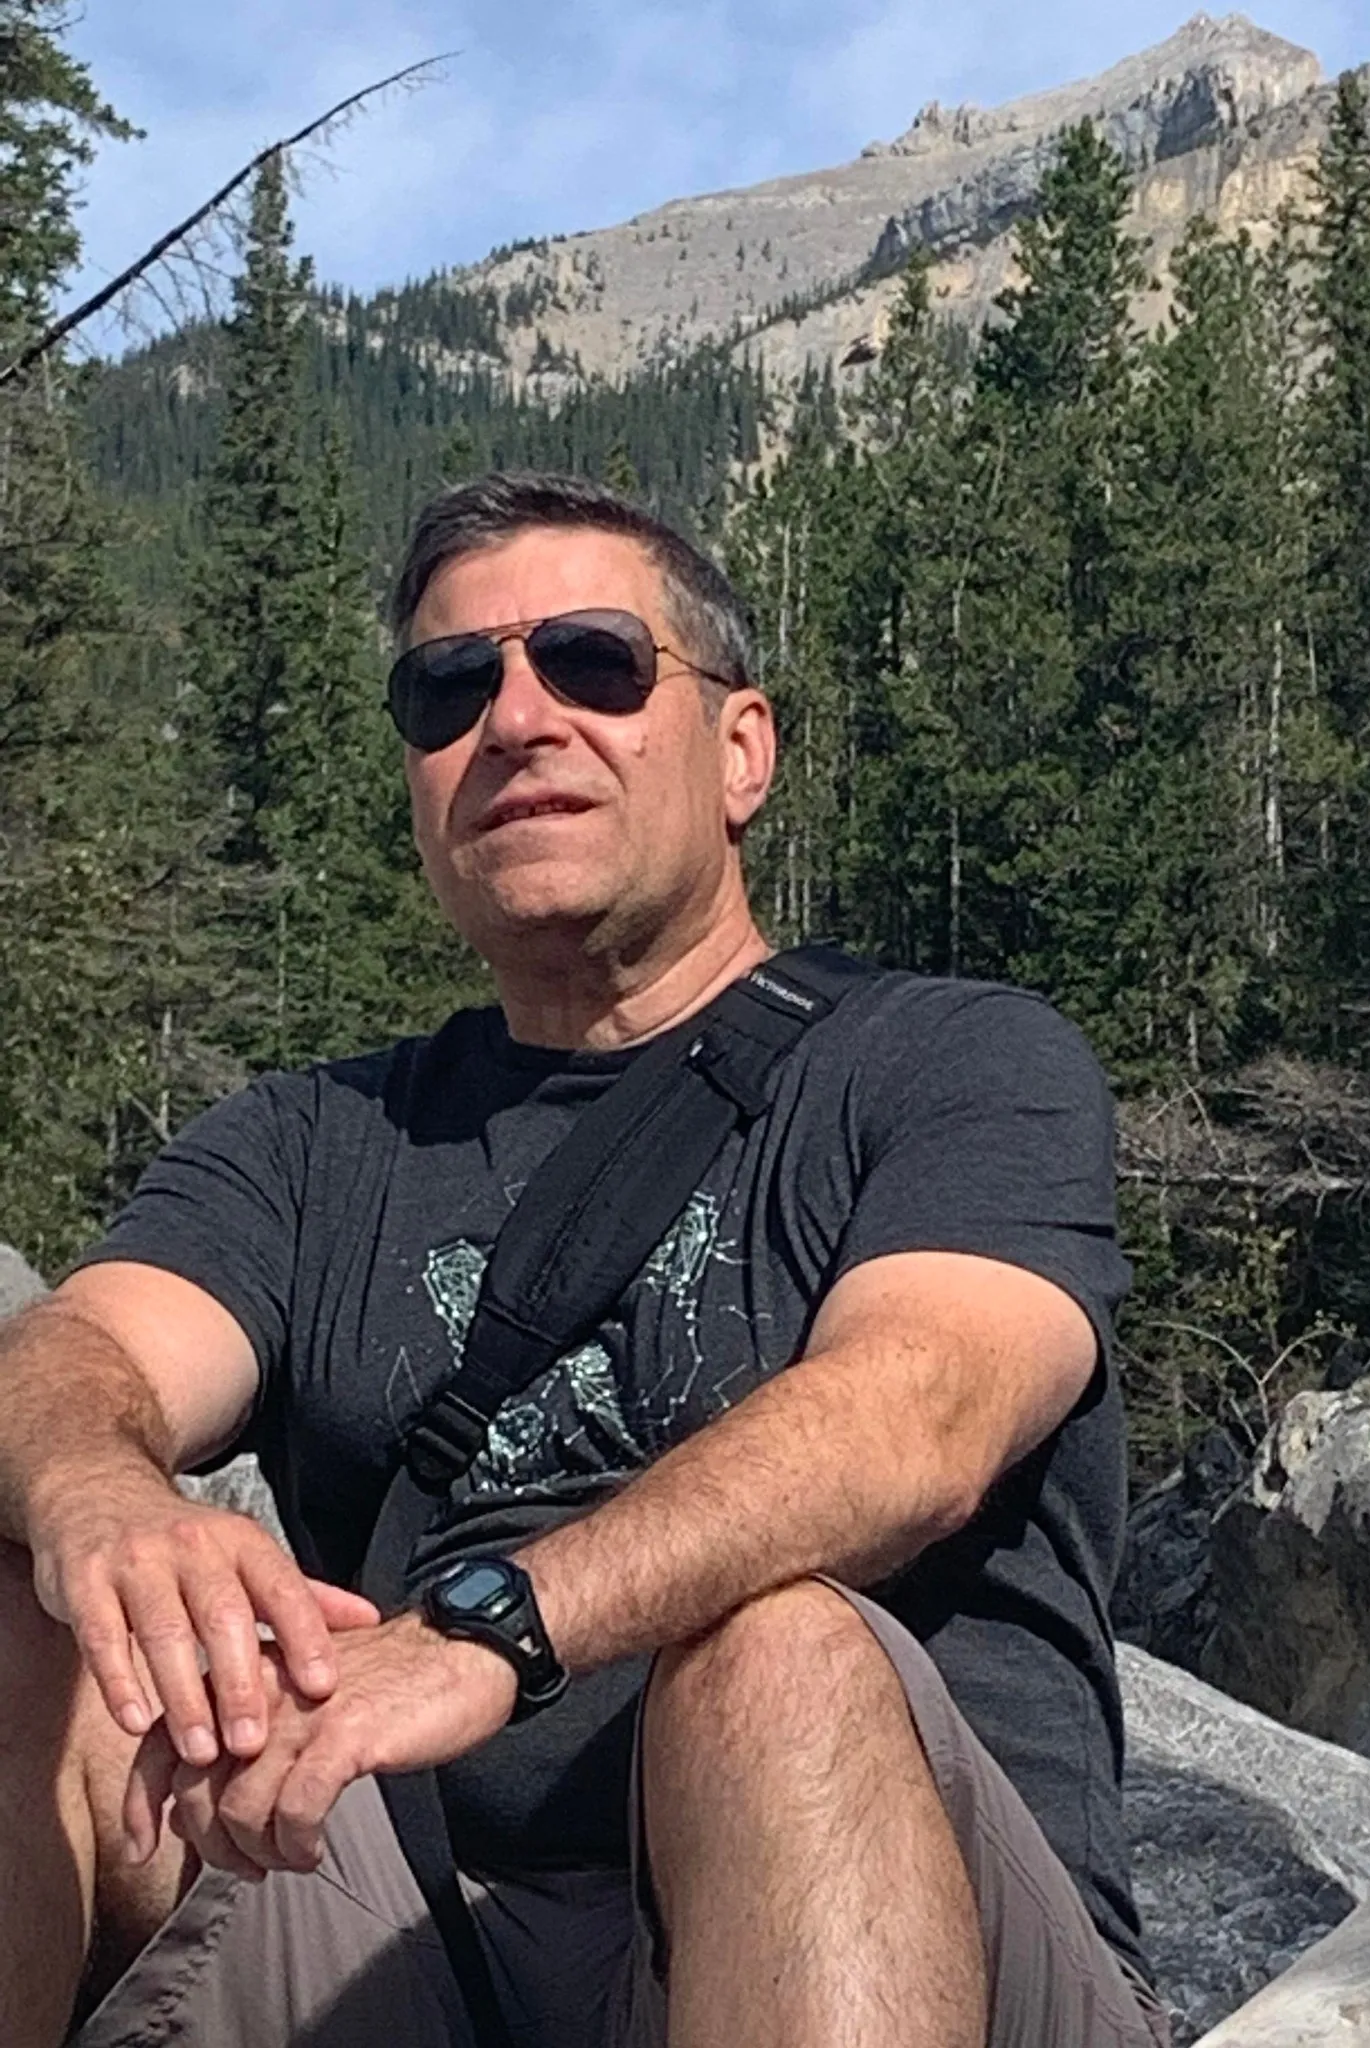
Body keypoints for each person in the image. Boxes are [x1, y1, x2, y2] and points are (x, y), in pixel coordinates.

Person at [0, 472, 1166, 2048]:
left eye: (597, 663)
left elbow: (922, 1417)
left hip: (907, 1928)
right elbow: (81, 1358)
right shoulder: (306, 1142)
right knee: (32, 1616)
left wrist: (494, 1623)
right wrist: (103, 1503)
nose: (519, 719)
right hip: (410, 1939)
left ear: (741, 748)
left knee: (777, 1659)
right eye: (452, 685)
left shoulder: (955, 1064)